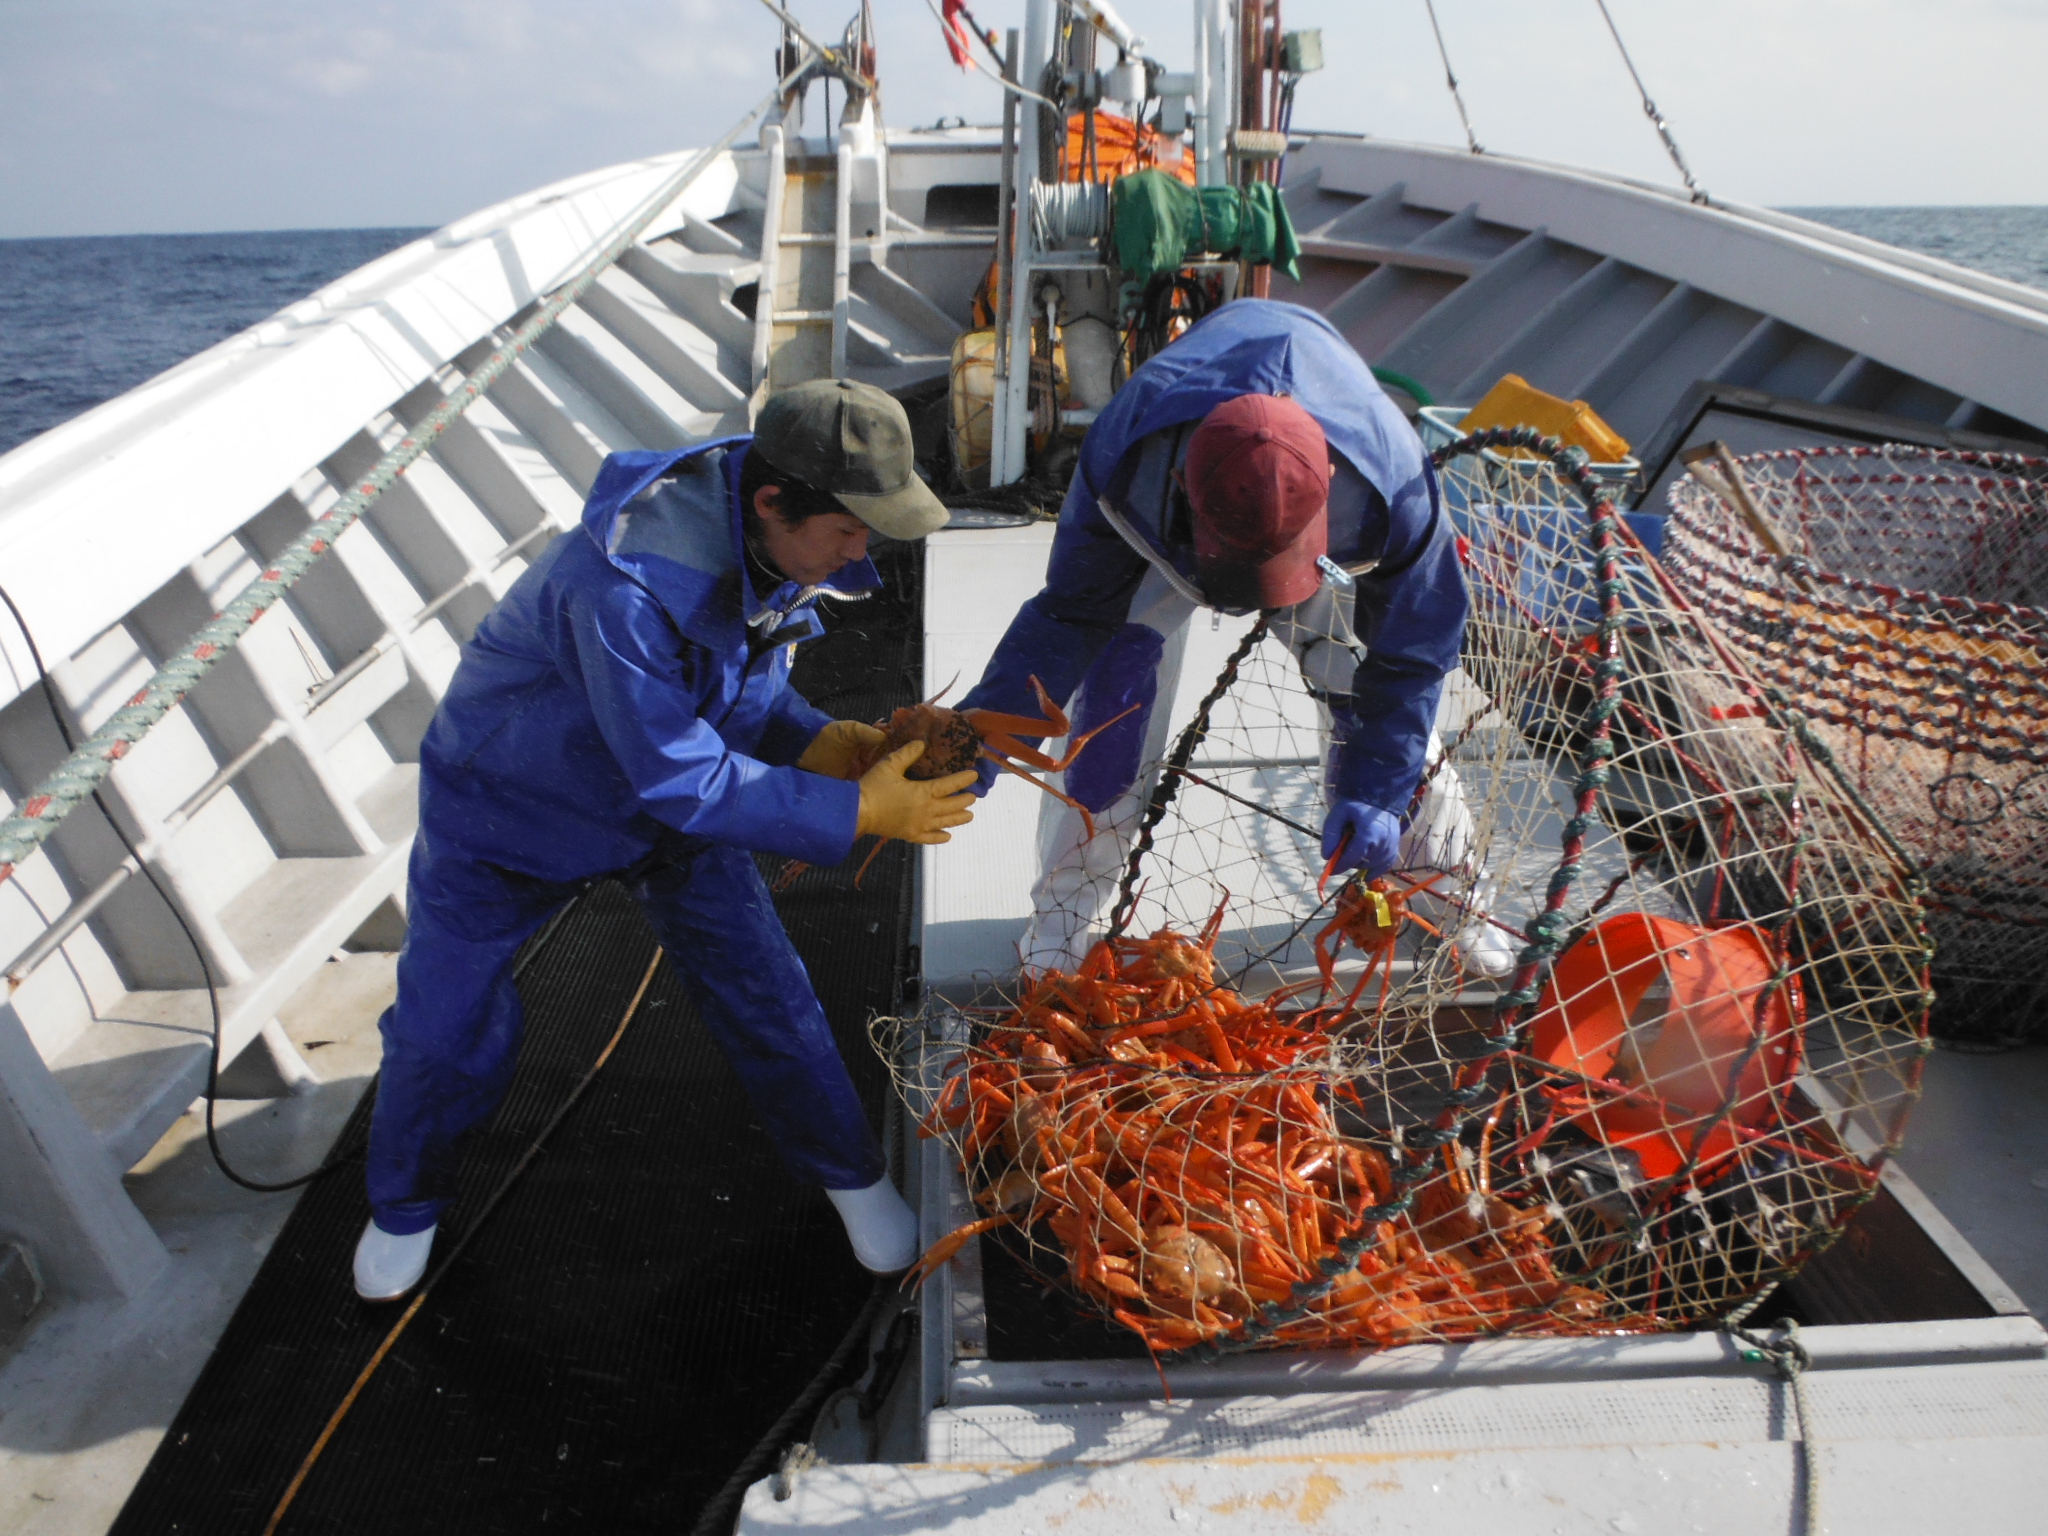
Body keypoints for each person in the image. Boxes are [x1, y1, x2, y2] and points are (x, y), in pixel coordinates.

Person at [351, 379, 975, 1302]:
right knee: (443, 1026)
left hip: (662, 811)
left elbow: (736, 689)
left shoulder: (773, 545)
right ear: (773, 503)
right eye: (851, 529)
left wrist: (805, 736)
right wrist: (856, 814)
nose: (863, 551)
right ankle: (403, 1205)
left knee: (769, 989)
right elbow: (678, 773)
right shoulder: (619, 593)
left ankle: (851, 1177)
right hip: (508, 811)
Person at [957, 298, 1514, 975]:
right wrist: (986, 735)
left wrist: (1378, 790)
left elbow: (1414, 657)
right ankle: (1062, 921)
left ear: (1333, 482)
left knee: (1377, 716)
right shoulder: (1127, 450)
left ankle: (1458, 901)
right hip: (1173, 548)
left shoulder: (1393, 483)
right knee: (1110, 713)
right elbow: (1070, 614)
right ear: (1178, 482)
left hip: (1318, 558)